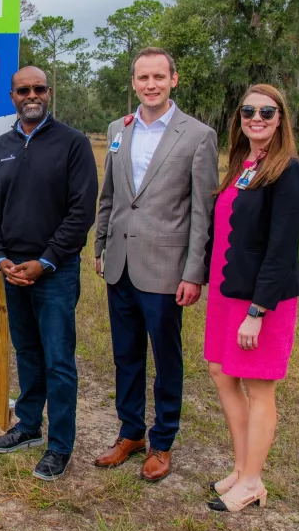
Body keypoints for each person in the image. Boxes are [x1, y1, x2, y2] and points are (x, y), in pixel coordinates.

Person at [92, 47, 218, 481]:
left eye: (158, 77)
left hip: (166, 269)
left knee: (167, 359)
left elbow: (204, 212)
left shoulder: (198, 135)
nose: (150, 85)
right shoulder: (118, 129)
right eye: (143, 78)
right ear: (133, 83)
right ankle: (131, 433)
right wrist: (101, 244)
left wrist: (193, 271)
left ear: (173, 80)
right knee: (126, 355)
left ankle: (162, 441)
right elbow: (109, 195)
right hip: (120, 265)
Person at [0, 66, 99, 481]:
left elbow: (81, 211)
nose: (32, 95)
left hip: (56, 273)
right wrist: (1, 260)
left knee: (59, 360)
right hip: (12, 271)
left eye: (39, 89)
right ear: (11, 96)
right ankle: (29, 426)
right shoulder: (0, 147)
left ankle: (60, 446)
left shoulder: (73, 144)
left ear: (50, 92)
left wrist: (45, 261)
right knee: (27, 353)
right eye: (23, 90)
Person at [203, 84, 299, 513]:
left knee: (258, 388)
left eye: (267, 112)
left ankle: (252, 482)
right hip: (227, 293)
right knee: (221, 374)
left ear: (281, 118)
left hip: (260, 302)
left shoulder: (290, 172)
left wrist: (257, 312)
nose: (257, 118)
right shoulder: (243, 166)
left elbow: (282, 249)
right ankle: (241, 467)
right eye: (249, 111)